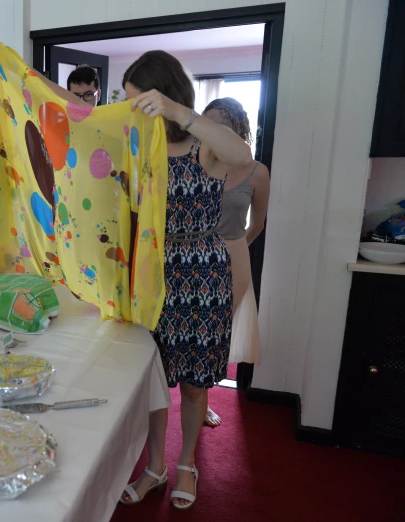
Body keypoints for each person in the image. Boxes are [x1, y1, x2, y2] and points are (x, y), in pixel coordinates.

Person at [118, 51, 252, 509]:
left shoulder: (204, 144)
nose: (132, 109)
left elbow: (244, 155)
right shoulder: (140, 145)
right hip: (153, 273)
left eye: (139, 100)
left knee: (195, 384)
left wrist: (181, 113)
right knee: (154, 378)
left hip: (202, 271)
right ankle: (155, 466)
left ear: (164, 95)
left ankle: (187, 463)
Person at [202, 97, 270, 428]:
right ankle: (187, 395)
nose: (213, 133)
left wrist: (236, 249)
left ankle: (202, 401)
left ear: (238, 130)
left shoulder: (257, 172)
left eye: (222, 126)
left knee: (215, 334)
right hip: (190, 257)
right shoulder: (194, 164)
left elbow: (257, 224)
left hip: (232, 259)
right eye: (208, 124)